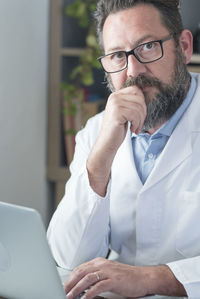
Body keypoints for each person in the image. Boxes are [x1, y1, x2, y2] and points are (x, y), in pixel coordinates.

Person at [47, 0, 200, 297]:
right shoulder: (97, 132)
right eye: (118, 55)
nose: (133, 71)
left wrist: (154, 278)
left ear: (183, 46)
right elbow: (67, 258)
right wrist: (101, 158)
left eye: (147, 47)